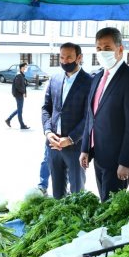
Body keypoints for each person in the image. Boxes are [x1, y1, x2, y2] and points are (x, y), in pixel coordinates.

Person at [79, 27, 129, 202]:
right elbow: (90, 116)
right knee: (104, 203)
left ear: (120, 49)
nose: (102, 52)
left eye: (107, 48)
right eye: (99, 48)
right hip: (99, 155)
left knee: (111, 209)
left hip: (118, 160)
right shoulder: (97, 77)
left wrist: (126, 162)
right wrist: (85, 149)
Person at [42, 43, 92, 199]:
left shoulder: (89, 82)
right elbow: (46, 108)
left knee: (77, 192)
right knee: (57, 192)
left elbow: (89, 116)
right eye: (61, 57)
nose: (65, 61)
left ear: (79, 57)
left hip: (75, 146)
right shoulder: (55, 78)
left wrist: (70, 139)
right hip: (53, 143)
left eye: (69, 57)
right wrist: (48, 131)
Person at [5, 63, 29, 130]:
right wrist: (23, 92)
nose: (25, 68)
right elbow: (18, 86)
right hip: (18, 95)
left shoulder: (21, 75)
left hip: (20, 94)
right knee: (20, 110)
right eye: (25, 67)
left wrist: (25, 92)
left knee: (19, 109)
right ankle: (22, 125)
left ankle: (8, 119)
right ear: (21, 68)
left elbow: (23, 85)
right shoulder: (19, 75)